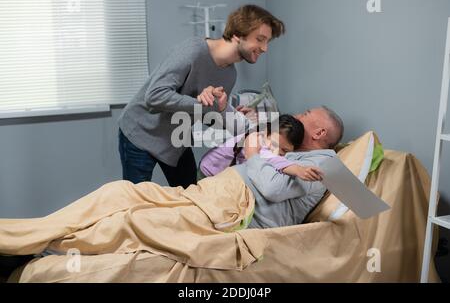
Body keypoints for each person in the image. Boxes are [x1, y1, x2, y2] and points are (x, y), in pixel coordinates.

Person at [0, 106, 343, 278]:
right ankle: (18, 238)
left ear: (320, 129)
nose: (299, 114)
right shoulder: (293, 152)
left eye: (306, 113)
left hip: (236, 209)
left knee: (132, 221)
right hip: (211, 191)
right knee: (117, 192)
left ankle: (37, 254)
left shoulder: (325, 161)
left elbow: (269, 186)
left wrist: (256, 155)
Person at [117, 4, 285, 188]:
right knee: (135, 200)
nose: (265, 48)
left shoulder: (230, 75)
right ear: (238, 34)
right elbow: (155, 95)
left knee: (193, 195)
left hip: (175, 139)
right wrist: (200, 103)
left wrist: (225, 113)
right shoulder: (193, 51)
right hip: (141, 132)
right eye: (260, 39)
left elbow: (206, 117)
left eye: (267, 41)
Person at [198, 114, 324, 182]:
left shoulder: (269, 136)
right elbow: (274, 160)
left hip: (218, 170)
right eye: (275, 144)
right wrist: (299, 170)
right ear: (266, 133)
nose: (278, 152)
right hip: (209, 170)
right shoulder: (259, 141)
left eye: (284, 151)